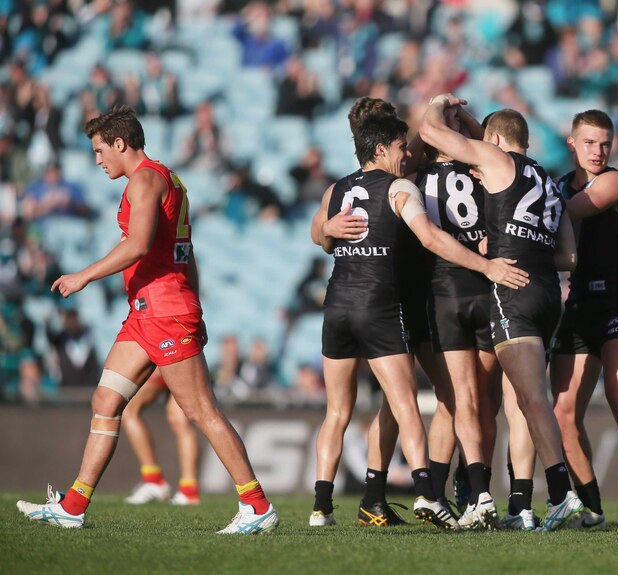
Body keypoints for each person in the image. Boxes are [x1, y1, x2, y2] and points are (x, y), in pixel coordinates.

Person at [16, 105, 278, 534]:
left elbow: (137, 245)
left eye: (101, 150)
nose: (98, 160)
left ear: (120, 144)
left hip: (164, 311)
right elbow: (184, 252)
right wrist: (198, 304)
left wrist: (84, 275)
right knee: (105, 402)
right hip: (146, 313)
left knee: (200, 410)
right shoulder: (169, 177)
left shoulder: (143, 181)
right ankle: (74, 506)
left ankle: (256, 504)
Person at [309, 105, 529, 530]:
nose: (405, 151)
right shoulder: (403, 184)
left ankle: (362, 499)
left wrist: (324, 231)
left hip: (359, 301)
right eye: (398, 144)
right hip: (406, 301)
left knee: (390, 404)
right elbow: (426, 235)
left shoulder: (344, 187)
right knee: (442, 398)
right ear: (381, 144)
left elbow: (318, 233)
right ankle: (440, 491)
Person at [420, 96, 582, 532]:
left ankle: (563, 494)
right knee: (521, 401)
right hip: (550, 294)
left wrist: (440, 105)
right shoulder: (548, 182)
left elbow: (432, 134)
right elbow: (569, 256)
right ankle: (521, 506)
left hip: (512, 291)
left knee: (530, 399)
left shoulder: (496, 159)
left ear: (493, 141)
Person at [549, 109, 618, 529]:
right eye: (589, 142)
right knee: (563, 413)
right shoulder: (555, 186)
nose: (598, 150)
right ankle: (591, 506)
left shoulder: (613, 181)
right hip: (578, 305)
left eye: (605, 143)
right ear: (572, 143)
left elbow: (565, 212)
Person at [414, 105, 503, 529]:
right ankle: (476, 490)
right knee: (487, 401)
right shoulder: (484, 164)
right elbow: (491, 140)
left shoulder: (416, 174)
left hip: (444, 290)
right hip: (488, 288)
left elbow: (418, 139)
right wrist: (465, 124)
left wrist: (436, 109)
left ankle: (447, 491)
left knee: (458, 399)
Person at [123, 370, 201, 506]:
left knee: (129, 410)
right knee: (179, 420)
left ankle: (154, 480)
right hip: (187, 357)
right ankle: (189, 491)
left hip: (164, 357)